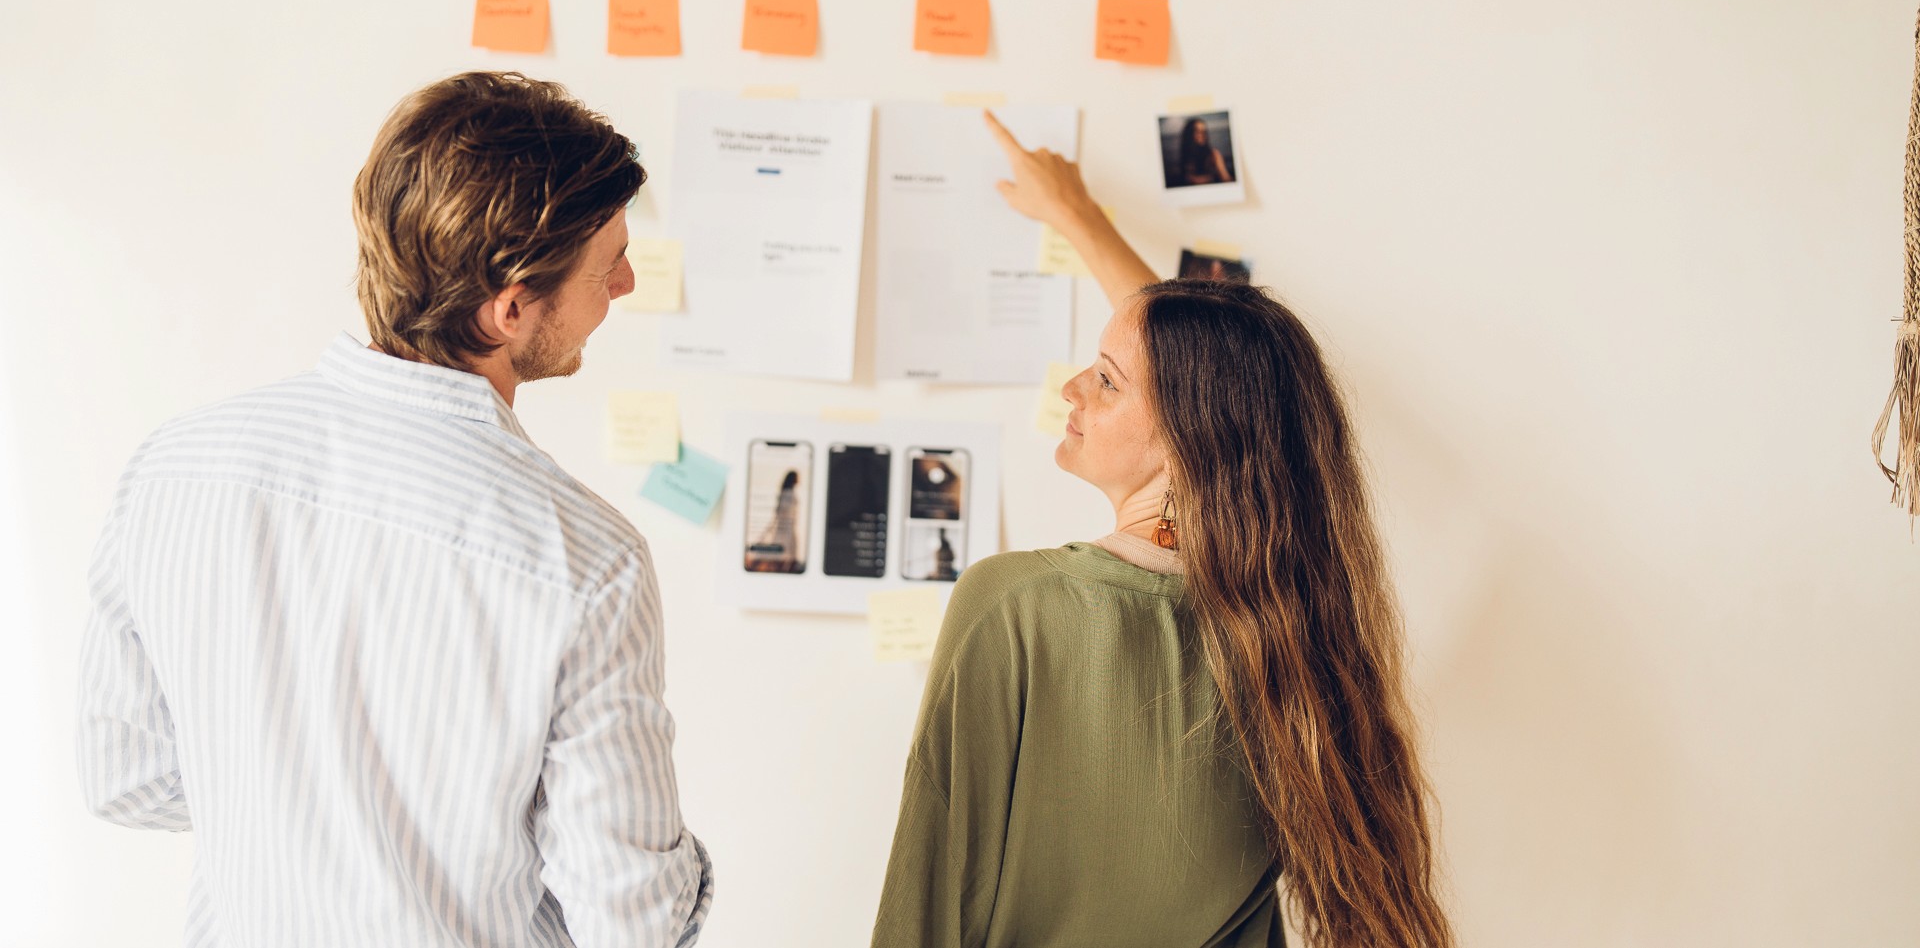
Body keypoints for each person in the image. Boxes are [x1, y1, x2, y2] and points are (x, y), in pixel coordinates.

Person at [76, 72, 713, 947]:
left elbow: (127, 774)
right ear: (511, 306)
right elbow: (631, 919)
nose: (628, 282)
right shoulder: (585, 558)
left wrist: (294, 808)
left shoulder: (175, 467)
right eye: (608, 264)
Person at [868, 113, 1454, 948]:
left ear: (1190, 445)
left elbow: (927, 897)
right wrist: (1078, 216)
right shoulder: (1291, 643)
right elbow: (1195, 368)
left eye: (1103, 380)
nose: (1073, 386)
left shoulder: (1013, 605)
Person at [1175, 115, 1233, 186]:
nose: (1202, 134)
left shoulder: (1214, 154)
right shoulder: (1188, 155)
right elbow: (1188, 178)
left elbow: (1225, 178)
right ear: (1190, 134)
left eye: (1204, 131)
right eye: (1198, 131)